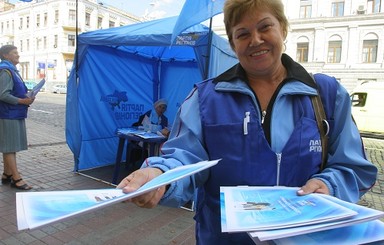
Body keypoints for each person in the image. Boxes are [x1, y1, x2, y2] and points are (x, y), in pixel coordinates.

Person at [117, 0, 378, 244]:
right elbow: (184, 159)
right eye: (242, 34)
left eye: (265, 27)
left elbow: (353, 168)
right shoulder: (205, 99)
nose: (255, 40)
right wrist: (160, 174)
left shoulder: (327, 95)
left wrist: (330, 185)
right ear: (232, 43)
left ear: (283, 29)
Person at [0, 45, 35, 190]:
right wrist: (22, 101)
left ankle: (7, 174)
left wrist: (27, 97)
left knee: (10, 145)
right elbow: (2, 94)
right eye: (15, 53)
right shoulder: (6, 71)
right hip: (8, 114)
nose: (18, 55)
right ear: (6, 55)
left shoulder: (11, 70)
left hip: (13, 113)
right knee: (9, 147)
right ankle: (16, 178)